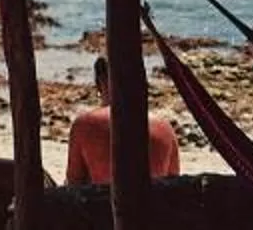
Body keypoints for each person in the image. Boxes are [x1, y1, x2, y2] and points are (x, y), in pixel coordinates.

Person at [65, 55, 182, 187]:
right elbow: (173, 183)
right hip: (153, 199)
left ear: (100, 83)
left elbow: (74, 184)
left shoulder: (84, 124)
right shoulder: (165, 128)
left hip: (104, 200)